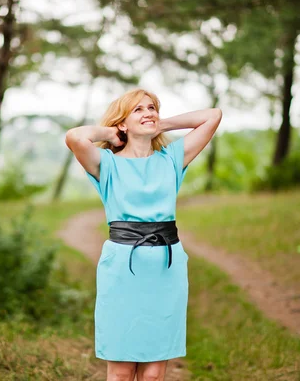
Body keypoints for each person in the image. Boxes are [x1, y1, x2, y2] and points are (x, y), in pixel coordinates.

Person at [65, 88, 222, 381]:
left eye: (152, 107)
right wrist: (112, 135)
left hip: (166, 267)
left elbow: (212, 116)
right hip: (122, 270)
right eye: (138, 110)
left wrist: (160, 125)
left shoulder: (172, 158)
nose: (148, 112)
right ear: (122, 122)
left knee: (153, 374)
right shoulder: (106, 164)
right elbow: (74, 137)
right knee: (122, 371)